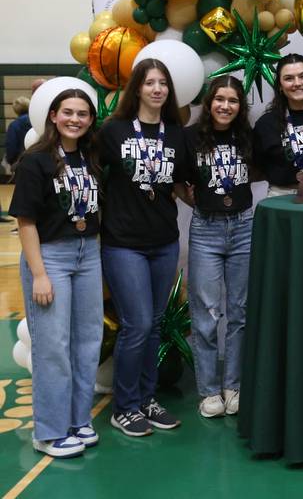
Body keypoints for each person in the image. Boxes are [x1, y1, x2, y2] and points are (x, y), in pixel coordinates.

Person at [10, 88, 102, 457]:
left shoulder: (92, 157)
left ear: (91, 120)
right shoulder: (36, 161)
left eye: (83, 113)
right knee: (53, 346)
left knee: (88, 340)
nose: (75, 119)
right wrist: (40, 273)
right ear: (53, 116)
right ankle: (48, 431)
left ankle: (78, 420)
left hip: (89, 254)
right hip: (51, 257)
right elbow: (26, 220)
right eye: (68, 112)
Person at [99, 58, 188, 436]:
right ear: (137, 88)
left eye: (162, 83)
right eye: (149, 82)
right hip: (124, 244)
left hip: (164, 241)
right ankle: (125, 406)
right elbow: (89, 173)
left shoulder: (177, 133)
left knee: (152, 327)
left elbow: (184, 184)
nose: (157, 89)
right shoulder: (113, 131)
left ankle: (147, 400)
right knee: (135, 325)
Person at [184, 76, 253, 418]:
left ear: (241, 107)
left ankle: (234, 385)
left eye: (233, 100)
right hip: (206, 229)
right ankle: (209, 391)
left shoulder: (246, 137)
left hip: (244, 226)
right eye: (220, 99)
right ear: (209, 102)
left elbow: (254, 174)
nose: (226, 106)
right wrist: (196, 203)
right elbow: (177, 181)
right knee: (207, 314)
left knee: (240, 312)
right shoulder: (191, 138)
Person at [252, 53, 303, 196]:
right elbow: (257, 166)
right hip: (281, 195)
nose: (297, 83)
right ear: (280, 86)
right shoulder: (266, 124)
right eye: (289, 78)